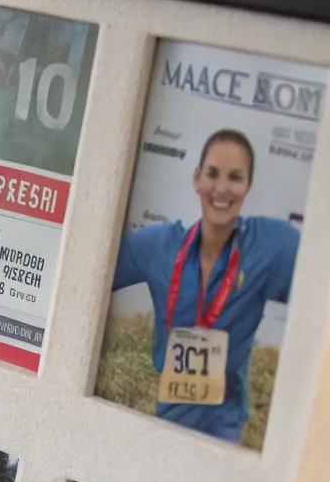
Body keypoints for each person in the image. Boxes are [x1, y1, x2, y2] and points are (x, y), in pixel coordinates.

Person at [111, 129, 299, 444]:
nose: (222, 188)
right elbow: (92, 265)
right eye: (213, 174)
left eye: (235, 177)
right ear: (197, 179)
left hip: (223, 433)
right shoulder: (161, 246)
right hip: (166, 423)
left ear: (248, 186)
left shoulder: (269, 245)